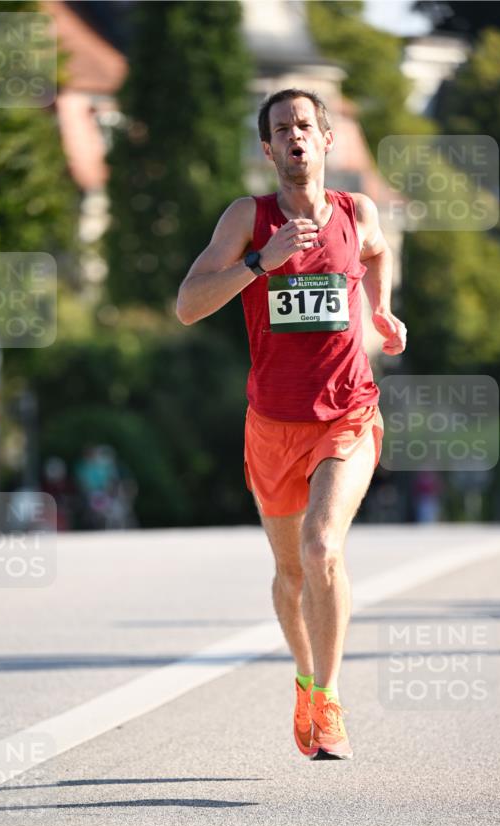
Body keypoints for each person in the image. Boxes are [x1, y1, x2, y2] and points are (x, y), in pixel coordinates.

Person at [176, 89, 406, 760]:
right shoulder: (248, 219)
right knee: (289, 574)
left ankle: (328, 700)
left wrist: (381, 309)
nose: (294, 135)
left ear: (326, 139)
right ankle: (306, 679)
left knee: (320, 547)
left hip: (347, 412)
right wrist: (258, 262)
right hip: (272, 423)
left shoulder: (355, 212)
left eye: (304, 124)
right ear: (268, 148)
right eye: (281, 128)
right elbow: (188, 304)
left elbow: (376, 252)